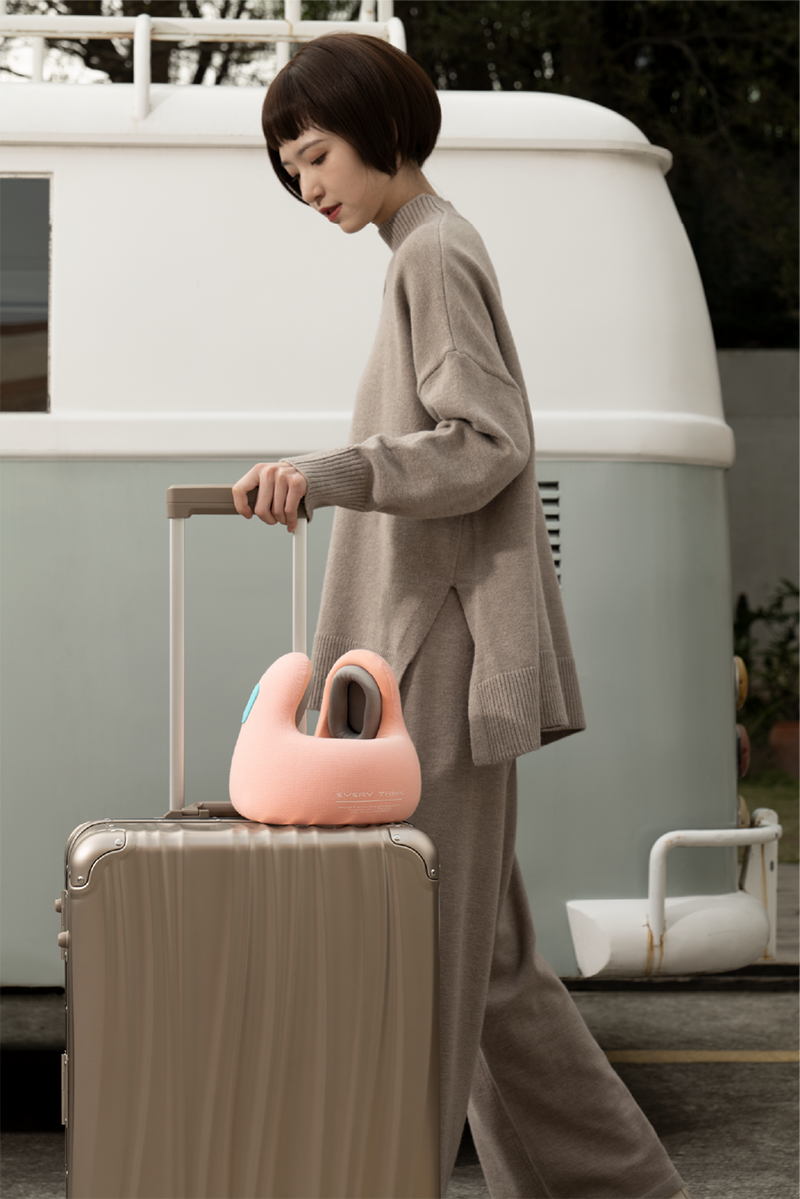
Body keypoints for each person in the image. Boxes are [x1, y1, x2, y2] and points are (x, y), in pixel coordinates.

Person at [233, 32, 690, 1199]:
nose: (307, 186)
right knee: (484, 963)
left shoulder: (430, 252)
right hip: (432, 639)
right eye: (290, 170)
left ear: (380, 128)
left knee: (427, 953)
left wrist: (329, 472)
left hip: (433, 649)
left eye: (316, 155)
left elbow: (486, 443)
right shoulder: (423, 247)